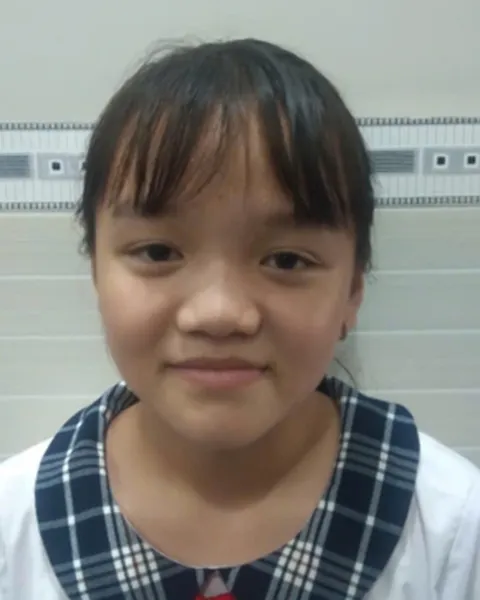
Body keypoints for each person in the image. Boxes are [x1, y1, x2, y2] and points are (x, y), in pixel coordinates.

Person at [0, 38, 479, 600]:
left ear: (353, 288)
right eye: (158, 252)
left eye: (286, 260)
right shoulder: (14, 526)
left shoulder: (454, 533)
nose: (219, 314)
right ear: (96, 274)